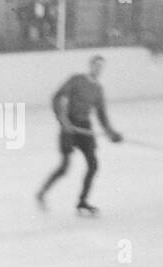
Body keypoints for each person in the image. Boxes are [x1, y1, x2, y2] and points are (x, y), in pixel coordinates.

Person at [37, 54, 124, 216]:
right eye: (96, 65)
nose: (98, 69)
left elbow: (102, 115)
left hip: (85, 128)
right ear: (90, 66)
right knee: (65, 167)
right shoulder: (76, 80)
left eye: (101, 66)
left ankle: (82, 202)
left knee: (93, 165)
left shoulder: (98, 89)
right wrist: (63, 120)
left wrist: (112, 133)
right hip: (69, 125)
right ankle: (42, 193)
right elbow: (58, 98)